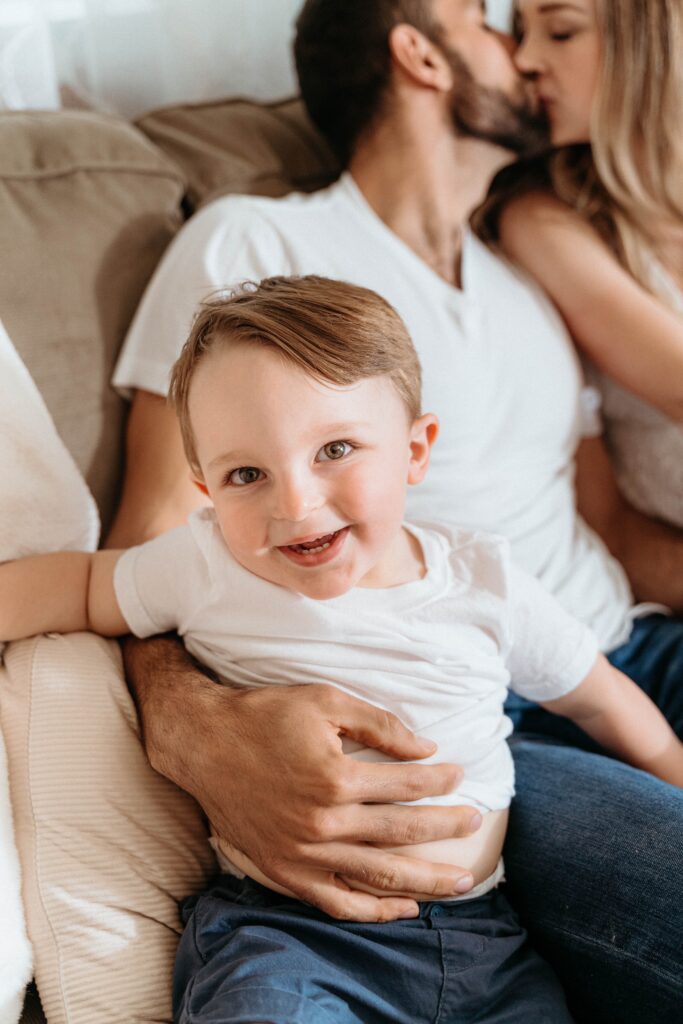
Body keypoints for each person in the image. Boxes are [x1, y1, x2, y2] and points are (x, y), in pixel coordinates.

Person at [106, 1, 683, 1019]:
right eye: (486, 19)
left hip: (626, 654)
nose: (520, 50)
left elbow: (610, 533)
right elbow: (154, 540)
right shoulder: (255, 245)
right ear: (419, 52)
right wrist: (197, 727)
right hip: (477, 710)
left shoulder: (531, 269)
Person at [3, 275, 682, 1023]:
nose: (293, 504)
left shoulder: (485, 582)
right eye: (246, 475)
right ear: (204, 487)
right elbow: (84, 585)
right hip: (288, 936)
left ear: (416, 449)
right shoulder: (205, 567)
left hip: (484, 941)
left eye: (334, 449)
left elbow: (604, 699)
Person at [476, 0, 683, 527]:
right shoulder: (541, 221)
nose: (524, 59)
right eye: (521, 32)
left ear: (649, 44)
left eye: (561, 32)